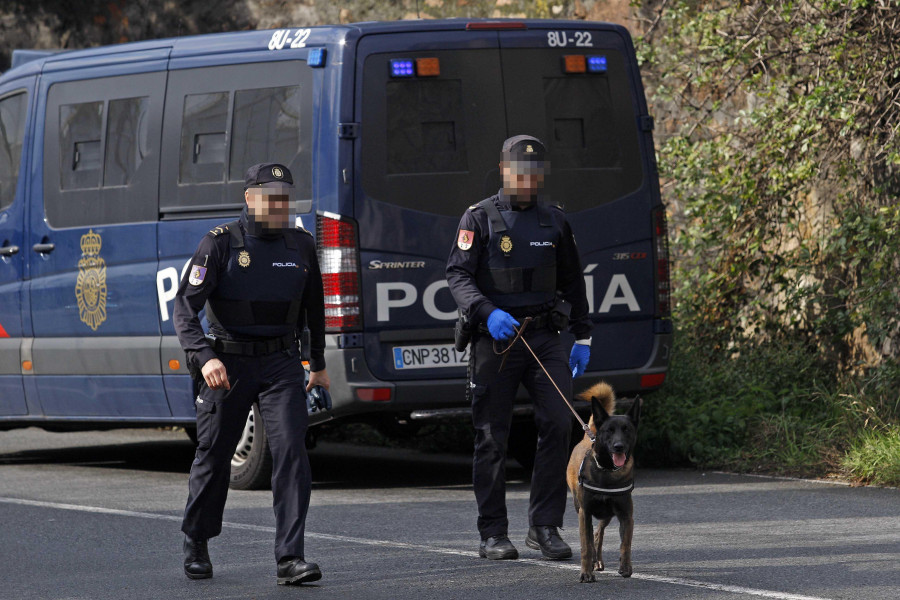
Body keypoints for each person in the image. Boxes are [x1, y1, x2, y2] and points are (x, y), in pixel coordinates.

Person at [173, 162, 328, 586]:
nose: (279, 205)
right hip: (229, 363)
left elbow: (315, 308)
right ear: (250, 198)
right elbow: (185, 309)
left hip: (280, 363)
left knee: (292, 452)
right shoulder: (220, 244)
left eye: (285, 197)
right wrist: (204, 357)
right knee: (215, 454)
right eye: (271, 197)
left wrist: (318, 363)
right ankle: (197, 539)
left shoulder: (301, 244)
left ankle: (290, 558)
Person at [446, 135, 592, 561]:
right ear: (504, 170)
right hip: (498, 340)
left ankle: (544, 526)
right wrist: (486, 311)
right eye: (519, 172)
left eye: (535, 173)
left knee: (558, 423)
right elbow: (457, 275)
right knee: (492, 436)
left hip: (545, 337)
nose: (528, 180)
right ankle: (492, 533)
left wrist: (582, 335)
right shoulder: (479, 219)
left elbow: (572, 281)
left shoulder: (554, 220)